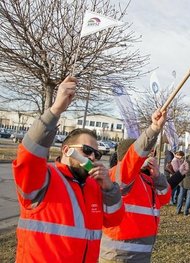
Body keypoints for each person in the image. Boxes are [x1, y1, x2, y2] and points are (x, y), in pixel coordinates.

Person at [12, 76, 124, 262]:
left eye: (96, 154)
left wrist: (109, 189)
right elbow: (29, 154)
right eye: (87, 151)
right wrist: (56, 110)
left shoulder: (94, 186)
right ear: (66, 150)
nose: (92, 158)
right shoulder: (44, 179)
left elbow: (114, 220)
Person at [100, 136, 189, 262]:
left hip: (141, 253)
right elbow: (131, 163)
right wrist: (154, 129)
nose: (148, 158)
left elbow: (163, 197)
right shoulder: (119, 176)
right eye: (144, 155)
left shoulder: (144, 177)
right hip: (119, 254)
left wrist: (173, 175)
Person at [176, 149, 190, 216]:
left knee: (181, 195)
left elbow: (180, 169)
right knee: (189, 197)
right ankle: (186, 212)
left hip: (184, 179)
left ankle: (178, 210)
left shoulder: (186, 161)